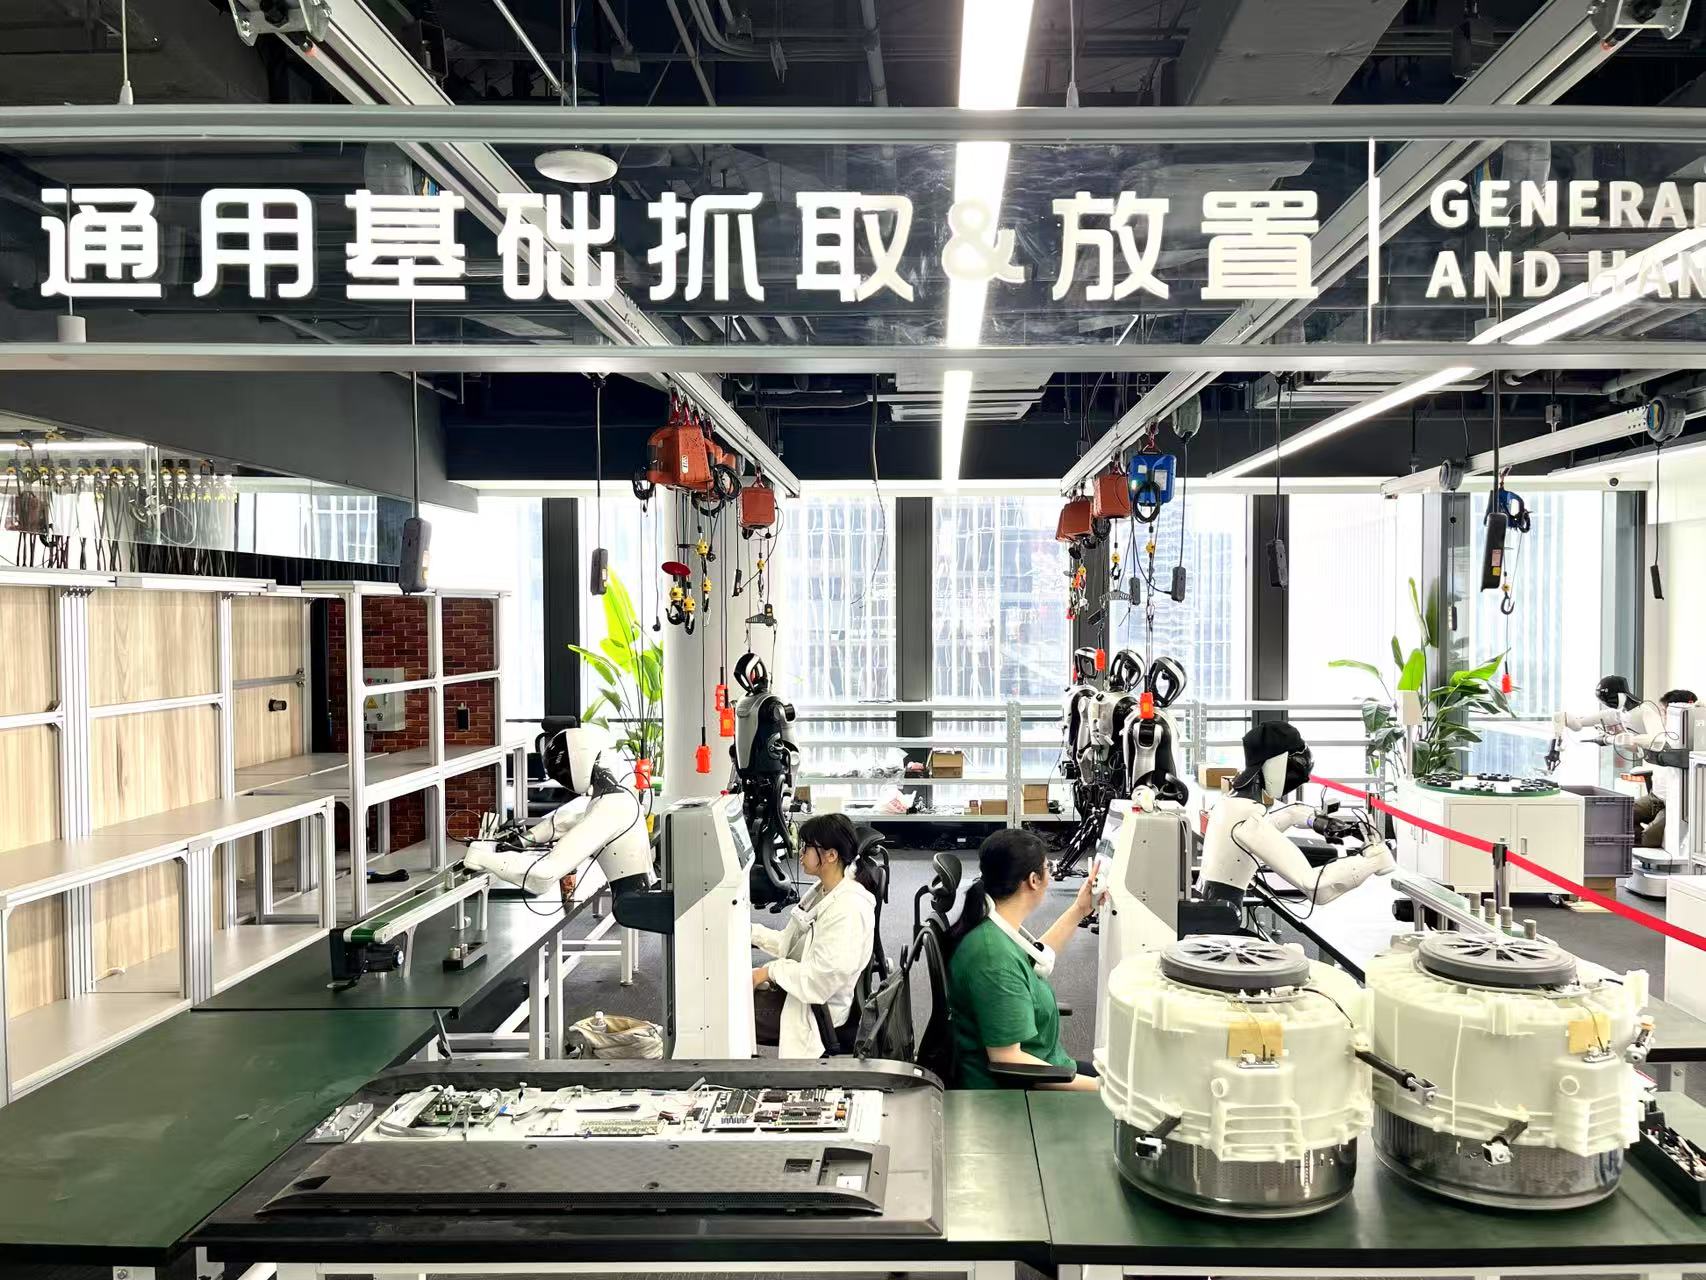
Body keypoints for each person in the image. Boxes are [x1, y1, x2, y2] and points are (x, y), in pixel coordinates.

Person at [945, 829, 1103, 1091]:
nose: (1050, 874)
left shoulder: (995, 928)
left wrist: (1080, 909)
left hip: (1045, 1064)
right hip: (1018, 1089)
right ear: (1033, 880)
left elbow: (1036, 956)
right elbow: (1009, 1061)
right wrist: (1104, 1091)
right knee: (1127, 1095)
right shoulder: (993, 959)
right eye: (1048, 868)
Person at [750, 813, 878, 1058]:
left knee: (725, 1008)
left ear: (831, 855)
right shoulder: (824, 891)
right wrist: (752, 933)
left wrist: (768, 972)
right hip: (801, 991)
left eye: (807, 847)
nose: (800, 853)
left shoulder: (848, 909)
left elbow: (819, 979)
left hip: (817, 1010)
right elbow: (792, 945)